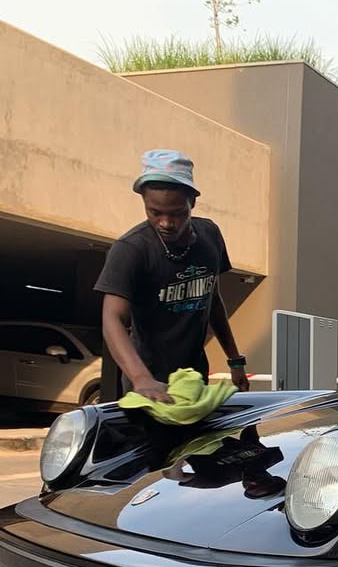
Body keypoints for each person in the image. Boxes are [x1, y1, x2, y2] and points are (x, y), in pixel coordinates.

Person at [95, 149, 249, 403]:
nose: (166, 223)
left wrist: (234, 359)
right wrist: (140, 378)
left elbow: (213, 300)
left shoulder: (210, 235)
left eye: (177, 213)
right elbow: (112, 317)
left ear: (192, 202)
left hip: (193, 378)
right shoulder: (131, 249)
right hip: (148, 384)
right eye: (155, 212)